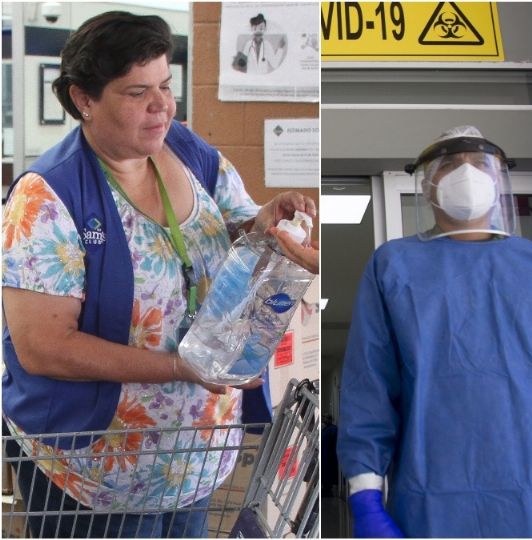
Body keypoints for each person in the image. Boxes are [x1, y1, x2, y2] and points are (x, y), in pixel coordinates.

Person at [1, 12, 316, 538]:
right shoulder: (47, 197)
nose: (162, 106)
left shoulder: (189, 151)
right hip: (96, 478)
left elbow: (232, 228)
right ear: (83, 99)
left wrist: (262, 223)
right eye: (136, 92)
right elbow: (43, 346)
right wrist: (179, 367)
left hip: (194, 457)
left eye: (166, 86)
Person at [336, 126, 532, 538]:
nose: (467, 173)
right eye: (449, 165)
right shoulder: (394, 268)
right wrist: (365, 496)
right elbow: (369, 388)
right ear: (427, 187)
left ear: (498, 182)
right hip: (436, 502)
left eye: (479, 164)